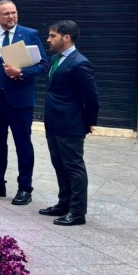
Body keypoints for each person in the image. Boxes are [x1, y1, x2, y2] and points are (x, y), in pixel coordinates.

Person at [0, 0, 48, 206]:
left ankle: (25, 188)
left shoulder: (29, 34)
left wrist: (22, 72)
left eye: (14, 12)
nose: (11, 17)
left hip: (20, 100)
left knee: (23, 145)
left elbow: (43, 65)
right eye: (6, 13)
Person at [40, 20, 99, 226]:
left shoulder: (80, 63)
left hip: (70, 124)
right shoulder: (55, 59)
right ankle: (63, 204)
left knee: (73, 167)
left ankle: (77, 212)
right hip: (53, 122)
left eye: (52, 36)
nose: (48, 39)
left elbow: (91, 96)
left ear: (66, 37)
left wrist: (90, 121)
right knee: (59, 165)